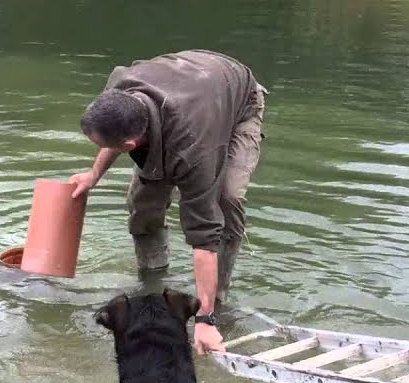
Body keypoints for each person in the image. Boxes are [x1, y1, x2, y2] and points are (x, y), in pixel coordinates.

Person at [70, 50, 266, 354]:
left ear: (130, 145)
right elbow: (117, 136)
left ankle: (219, 303)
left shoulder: (193, 148)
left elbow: (202, 234)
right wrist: (94, 174)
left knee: (226, 199)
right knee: (142, 202)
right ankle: (152, 280)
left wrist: (205, 319)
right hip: (192, 84)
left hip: (238, 99)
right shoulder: (119, 88)